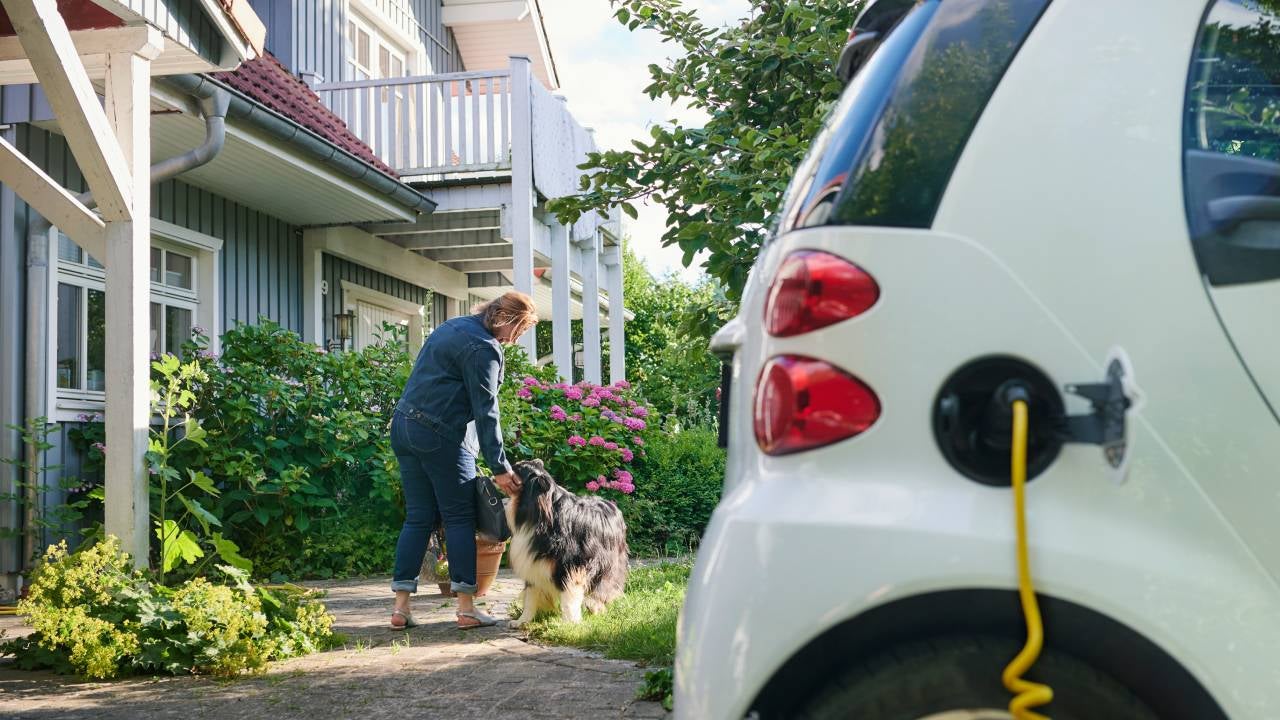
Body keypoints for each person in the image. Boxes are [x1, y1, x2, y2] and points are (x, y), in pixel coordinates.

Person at [389, 291, 537, 629]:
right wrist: (499, 467)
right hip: (438, 434)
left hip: (403, 426)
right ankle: (467, 609)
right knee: (459, 518)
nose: (517, 338)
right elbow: (487, 412)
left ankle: (401, 608)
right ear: (509, 320)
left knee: (418, 518)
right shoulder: (485, 348)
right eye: (520, 330)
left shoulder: (451, 327)